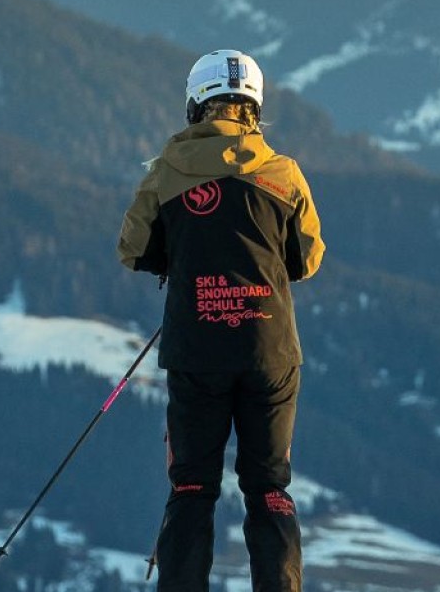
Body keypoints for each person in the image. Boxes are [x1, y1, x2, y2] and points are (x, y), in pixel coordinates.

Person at [118, 49, 325, 592]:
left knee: (191, 486)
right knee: (269, 489)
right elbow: (307, 259)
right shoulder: (284, 175)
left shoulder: (167, 173)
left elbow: (133, 248)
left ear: (196, 106)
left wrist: (183, 255)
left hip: (196, 346)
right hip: (270, 348)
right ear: (255, 107)